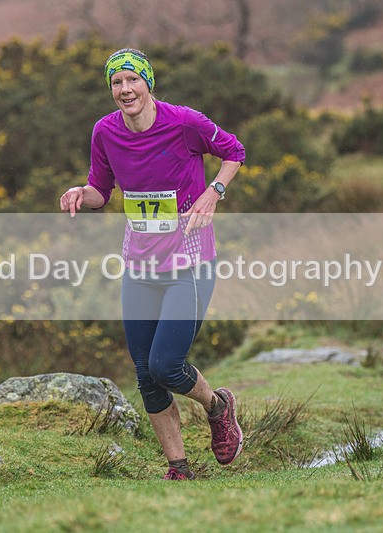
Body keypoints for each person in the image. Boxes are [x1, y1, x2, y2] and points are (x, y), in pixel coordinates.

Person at [59, 48, 245, 480]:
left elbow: (234, 151)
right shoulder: (105, 132)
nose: (125, 90)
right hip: (139, 266)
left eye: (132, 80)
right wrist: (78, 194)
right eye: (116, 83)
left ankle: (218, 406)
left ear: (148, 82)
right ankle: (178, 468)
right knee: (145, 374)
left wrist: (213, 190)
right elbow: (100, 191)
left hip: (190, 263)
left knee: (166, 365)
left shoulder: (184, 123)